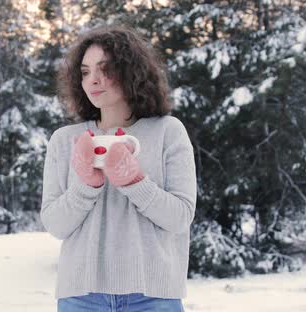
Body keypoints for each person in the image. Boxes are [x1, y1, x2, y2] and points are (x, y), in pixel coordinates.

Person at [41, 24, 197, 312]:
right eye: (86, 72)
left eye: (105, 68)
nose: (93, 80)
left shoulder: (168, 132)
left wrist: (134, 181)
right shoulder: (65, 140)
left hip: (153, 297)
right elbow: (55, 224)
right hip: (80, 298)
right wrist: (86, 185)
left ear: (131, 71)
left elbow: (180, 218)